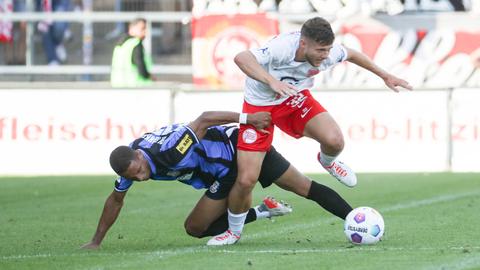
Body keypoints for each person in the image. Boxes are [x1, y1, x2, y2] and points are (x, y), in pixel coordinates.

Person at [208, 16, 412, 246]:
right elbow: (241, 57)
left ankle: (328, 161)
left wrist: (385, 75)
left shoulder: (329, 53)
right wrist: (271, 81)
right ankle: (233, 232)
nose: (325, 55)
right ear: (303, 44)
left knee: (335, 141)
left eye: (328, 50)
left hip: (294, 99)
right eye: (321, 50)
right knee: (246, 180)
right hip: (259, 106)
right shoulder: (282, 47)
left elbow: (353, 54)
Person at [81, 111, 353, 249]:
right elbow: (115, 199)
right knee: (195, 228)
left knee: (304, 187)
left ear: (139, 155)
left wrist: (249, 119)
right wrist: (96, 241)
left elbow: (204, 120)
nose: (141, 178)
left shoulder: (170, 151)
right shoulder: (129, 162)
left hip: (240, 151)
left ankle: (356, 218)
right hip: (222, 175)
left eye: (139, 171)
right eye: (134, 177)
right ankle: (263, 211)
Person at [110, 18, 154, 88]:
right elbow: (141, 67)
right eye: (142, 28)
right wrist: (149, 76)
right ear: (131, 28)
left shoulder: (120, 45)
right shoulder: (136, 43)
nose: (145, 32)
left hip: (117, 86)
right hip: (135, 88)